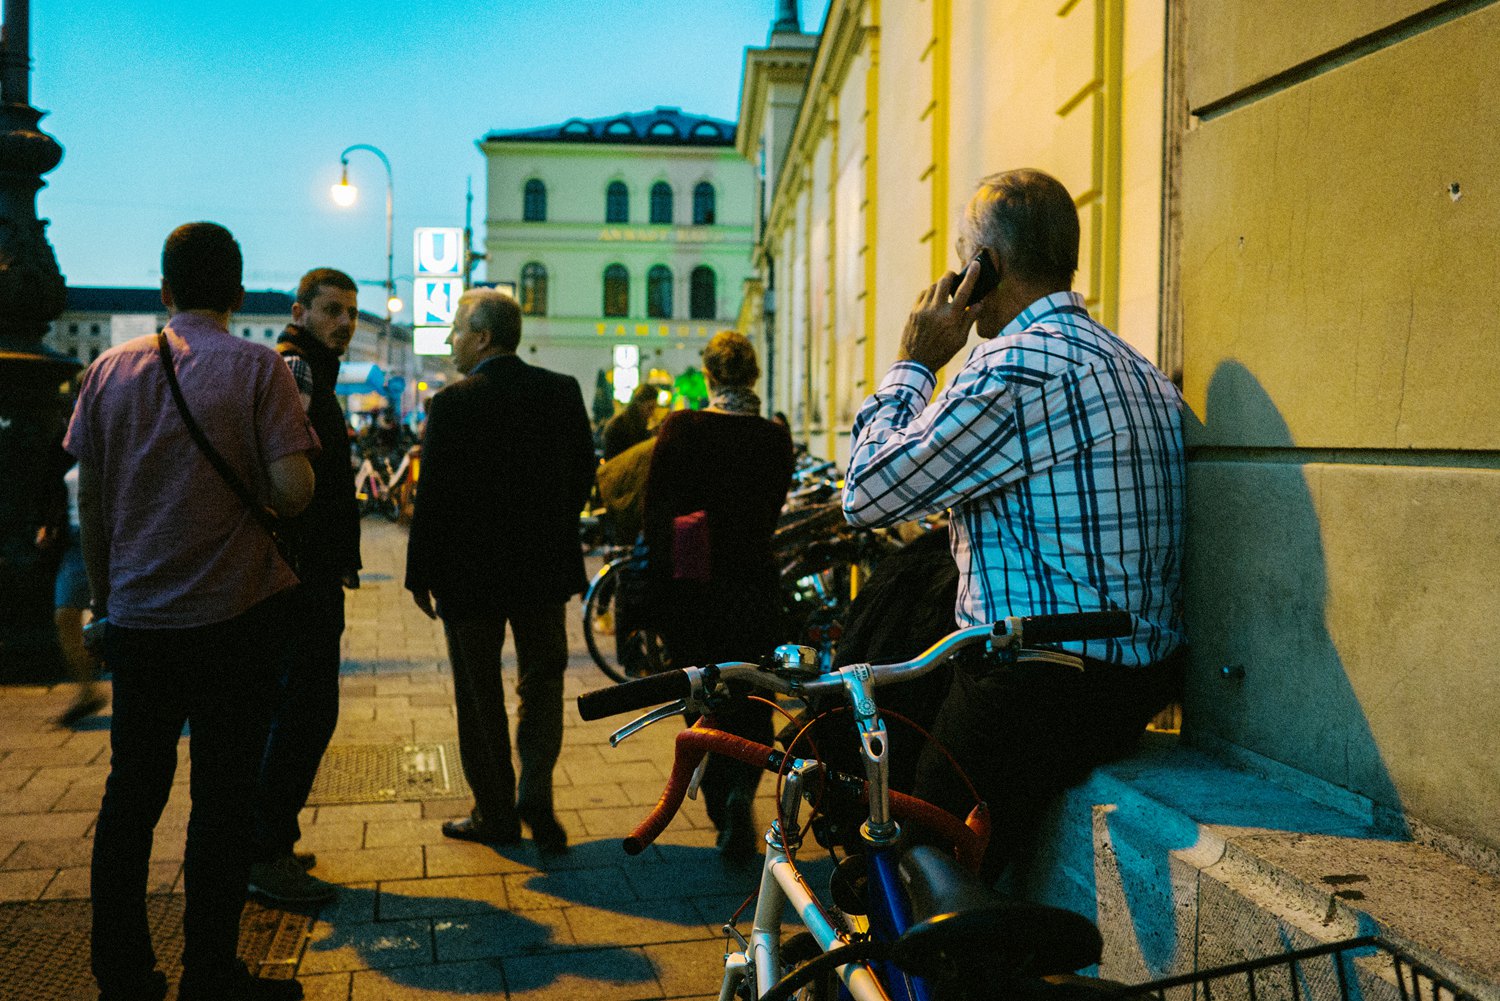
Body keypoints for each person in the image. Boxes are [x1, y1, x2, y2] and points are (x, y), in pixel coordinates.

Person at [842, 168, 1185, 884]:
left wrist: (914, 361)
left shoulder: (1014, 368)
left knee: (909, 874)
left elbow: (868, 493)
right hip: (1138, 679)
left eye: (963, 254)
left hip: (1037, 690)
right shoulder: (1137, 366)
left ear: (985, 266)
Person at [66, 222, 316, 1001]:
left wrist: (106, 604)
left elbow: (95, 509)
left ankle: (122, 969)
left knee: (130, 797)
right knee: (222, 799)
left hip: (138, 621)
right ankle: (212, 970)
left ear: (164, 287)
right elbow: (293, 491)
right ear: (239, 293)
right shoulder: (259, 368)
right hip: (235, 617)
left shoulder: (107, 372)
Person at [404, 288, 595, 853]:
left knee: (478, 690)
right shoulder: (561, 392)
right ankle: (535, 785)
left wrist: (420, 573)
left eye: (458, 331)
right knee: (542, 678)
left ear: (483, 336)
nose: (452, 342)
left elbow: (432, 498)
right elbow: (583, 474)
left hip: (470, 575)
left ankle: (495, 812)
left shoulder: (454, 403)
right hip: (543, 568)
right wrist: (552, 523)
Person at [641, 330, 794, 860]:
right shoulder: (776, 437)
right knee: (755, 699)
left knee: (701, 696)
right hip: (754, 586)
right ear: (752, 376)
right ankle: (742, 792)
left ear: (708, 376)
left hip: (694, 588)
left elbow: (655, 515)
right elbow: (771, 510)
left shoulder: (683, 428)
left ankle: (719, 796)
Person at [247, 268, 363, 907]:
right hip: (299, 571)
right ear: (300, 310)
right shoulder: (299, 370)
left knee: (294, 706)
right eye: (331, 311)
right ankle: (265, 851)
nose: (343, 322)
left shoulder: (312, 367)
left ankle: (270, 841)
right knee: (306, 709)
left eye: (350, 312)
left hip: (302, 566)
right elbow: (287, 475)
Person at [52, 461, 106, 726]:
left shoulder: (108, 426)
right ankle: (88, 691)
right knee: (65, 615)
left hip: (105, 534)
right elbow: (51, 485)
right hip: (75, 538)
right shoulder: (65, 439)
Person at [601, 382, 660, 460]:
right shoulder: (621, 426)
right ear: (638, 404)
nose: (652, 413)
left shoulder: (636, 424)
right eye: (650, 408)